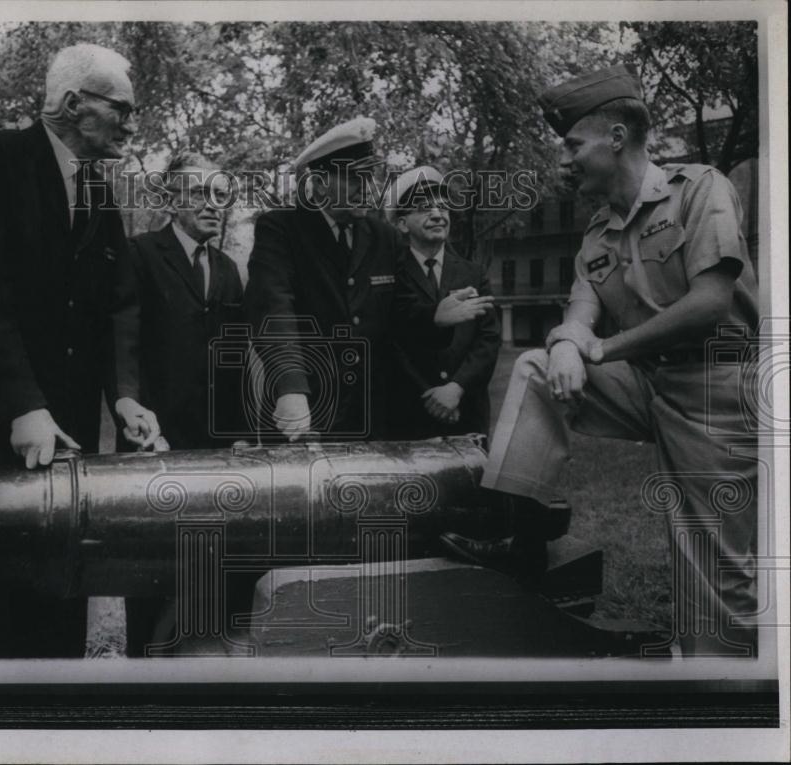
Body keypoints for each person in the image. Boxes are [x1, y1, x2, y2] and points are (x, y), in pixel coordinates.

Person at [444, 64, 759, 657]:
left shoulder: (701, 188)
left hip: (721, 388)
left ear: (615, 138)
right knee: (538, 367)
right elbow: (579, 312)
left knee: (713, 561)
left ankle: (724, 694)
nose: (563, 160)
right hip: (651, 382)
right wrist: (566, 342)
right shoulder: (597, 233)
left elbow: (710, 304)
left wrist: (602, 349)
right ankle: (522, 536)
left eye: (572, 144)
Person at [0, 43, 160, 657]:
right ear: (76, 105)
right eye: (123, 109)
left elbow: (119, 308)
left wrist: (127, 396)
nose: (132, 124)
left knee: (59, 589)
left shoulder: (103, 194)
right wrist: (22, 405)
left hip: (74, 434)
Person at [243, 117, 402, 441]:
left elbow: (405, 316)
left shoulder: (385, 237)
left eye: (369, 176)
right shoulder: (281, 229)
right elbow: (274, 309)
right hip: (302, 416)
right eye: (354, 177)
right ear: (319, 182)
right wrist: (290, 388)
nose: (367, 188)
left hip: (373, 421)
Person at [130, 152, 246, 451]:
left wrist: (241, 432)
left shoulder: (229, 269)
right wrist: (142, 424)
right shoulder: (140, 254)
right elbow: (125, 350)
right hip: (153, 437)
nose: (212, 204)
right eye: (198, 193)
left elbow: (235, 357)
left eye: (220, 195)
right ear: (171, 202)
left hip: (218, 443)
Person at [386, 166, 500, 440]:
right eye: (425, 208)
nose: (438, 215)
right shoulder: (388, 272)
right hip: (409, 413)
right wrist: (430, 396)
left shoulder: (473, 273)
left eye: (444, 208)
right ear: (402, 223)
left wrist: (456, 388)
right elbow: (389, 342)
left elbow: (488, 339)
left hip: (466, 410)